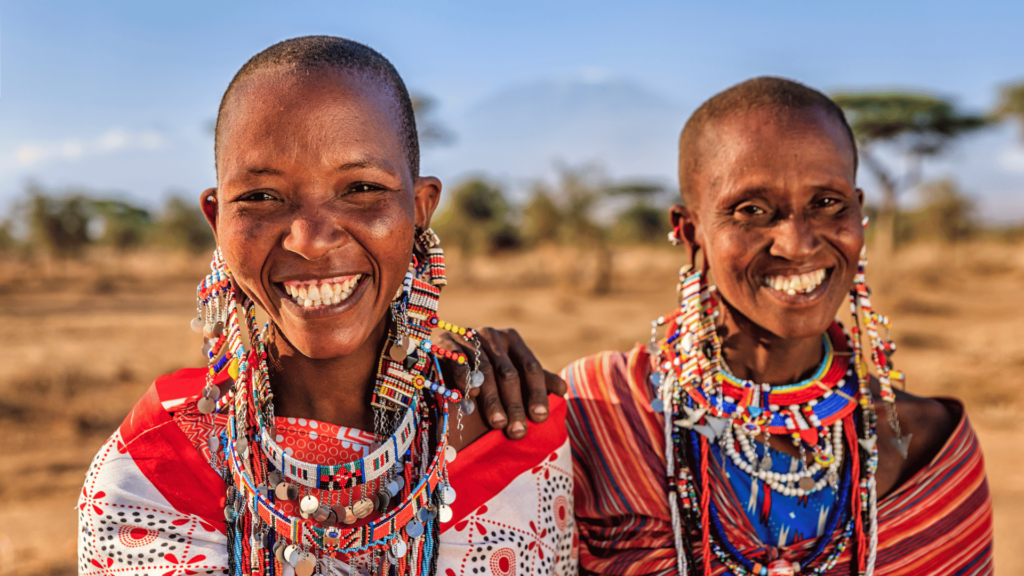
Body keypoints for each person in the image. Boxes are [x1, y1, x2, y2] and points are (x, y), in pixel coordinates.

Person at [77, 36, 575, 576]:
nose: (310, 240)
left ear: (421, 207)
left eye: (360, 188)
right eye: (262, 197)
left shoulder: (515, 431)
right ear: (216, 220)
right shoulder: (152, 471)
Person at [460, 78, 993, 575]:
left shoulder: (932, 450)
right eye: (752, 210)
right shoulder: (607, 414)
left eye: (826, 204)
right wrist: (449, 381)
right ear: (690, 231)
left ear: (858, 215)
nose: (797, 243)